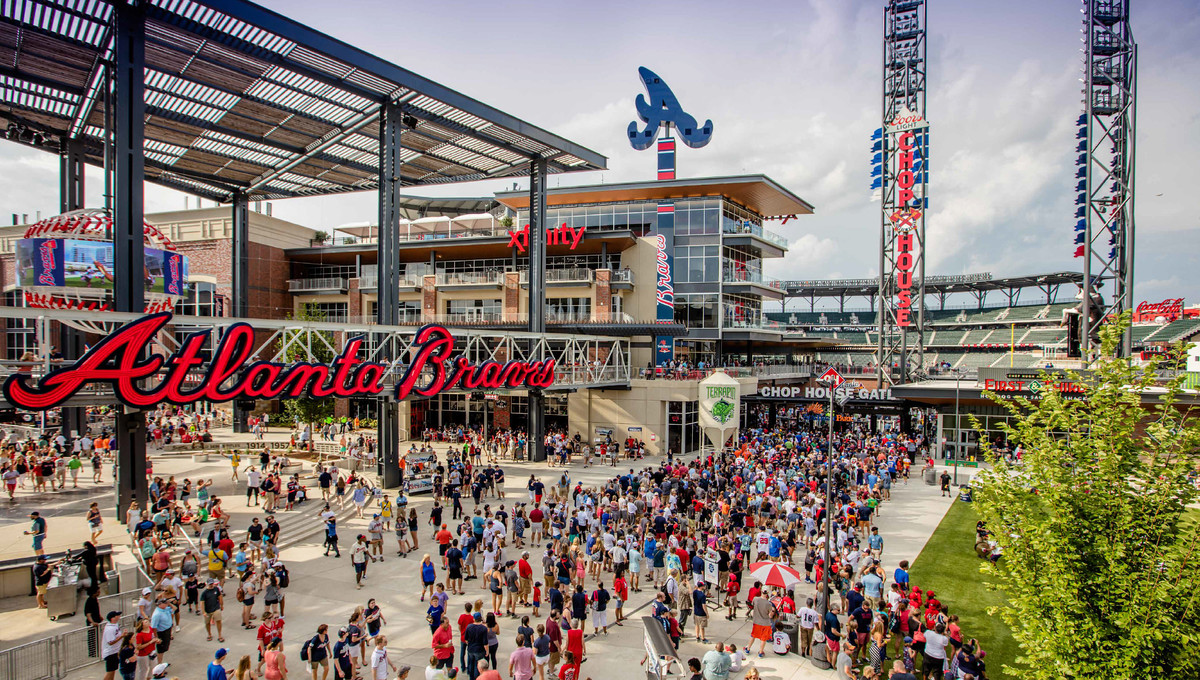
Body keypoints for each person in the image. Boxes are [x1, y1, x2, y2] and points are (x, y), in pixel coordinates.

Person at [101, 610, 124, 680]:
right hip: (110, 653)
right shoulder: (109, 629)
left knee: (113, 670)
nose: (119, 616)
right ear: (112, 618)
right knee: (110, 672)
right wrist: (122, 636)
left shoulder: (115, 625)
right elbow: (110, 642)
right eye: (117, 615)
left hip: (115, 651)